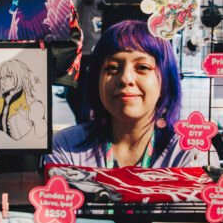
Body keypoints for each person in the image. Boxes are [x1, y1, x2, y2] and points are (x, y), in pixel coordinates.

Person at [44, 20, 204, 168]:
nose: (125, 79)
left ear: (166, 81)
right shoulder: (65, 147)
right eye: (112, 68)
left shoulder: (190, 152)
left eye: (142, 67)